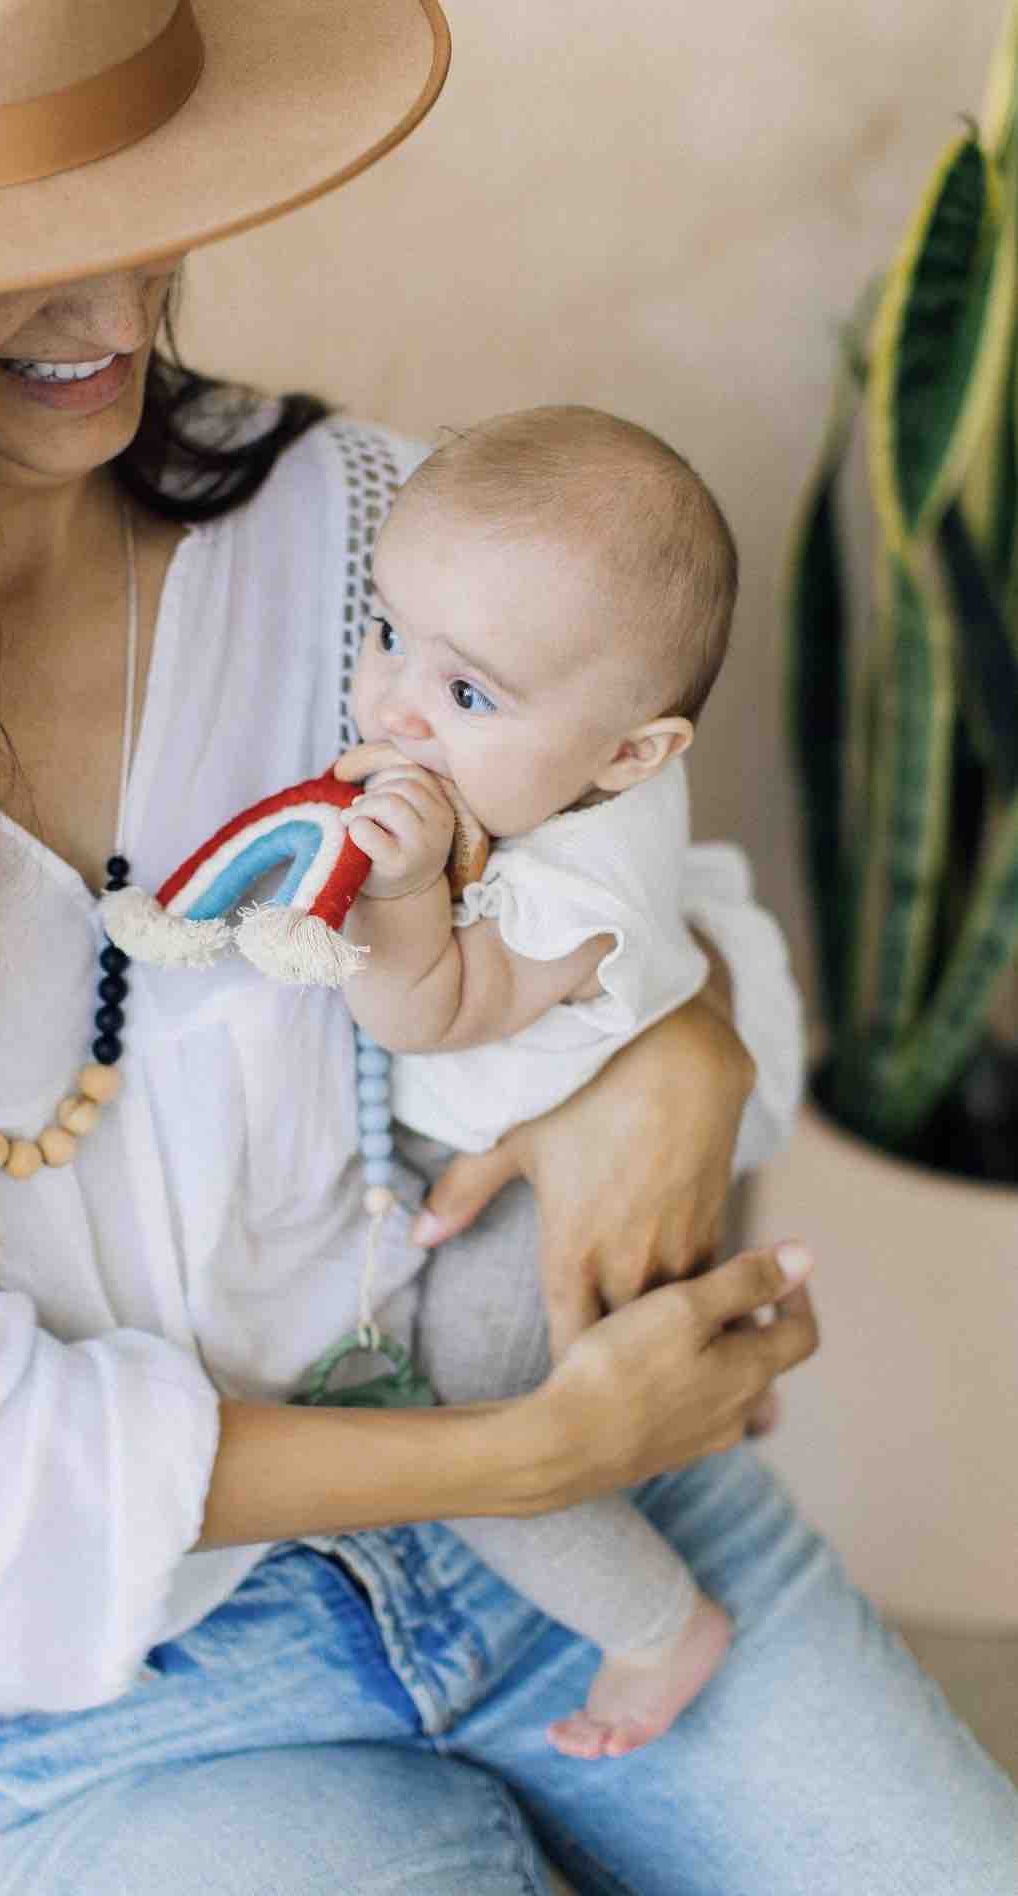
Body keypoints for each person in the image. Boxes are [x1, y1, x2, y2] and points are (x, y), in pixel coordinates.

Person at [0, 6, 1012, 1895]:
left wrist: (684, 1054)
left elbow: (633, 869)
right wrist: (524, 1454)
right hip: (144, 1669)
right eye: (7, 257)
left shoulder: (353, 531)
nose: (118, 302)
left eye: (143, 210)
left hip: (622, 1532)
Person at [340, 405, 745, 1759]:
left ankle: (656, 1626)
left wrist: (395, 890)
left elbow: (427, 1011)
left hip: (533, 1224)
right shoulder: (550, 774)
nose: (394, 702)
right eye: (387, 632)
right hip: (528, 1158)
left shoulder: (576, 890)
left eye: (466, 696)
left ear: (633, 756)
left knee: (483, 1434)